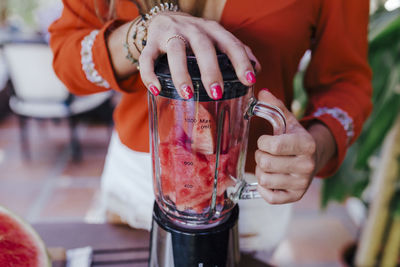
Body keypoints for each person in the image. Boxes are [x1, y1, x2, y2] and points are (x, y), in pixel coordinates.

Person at [48, 0, 372, 233]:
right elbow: (66, 57)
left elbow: (346, 81)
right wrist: (144, 32)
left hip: (252, 192)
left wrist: (317, 146)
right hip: (136, 178)